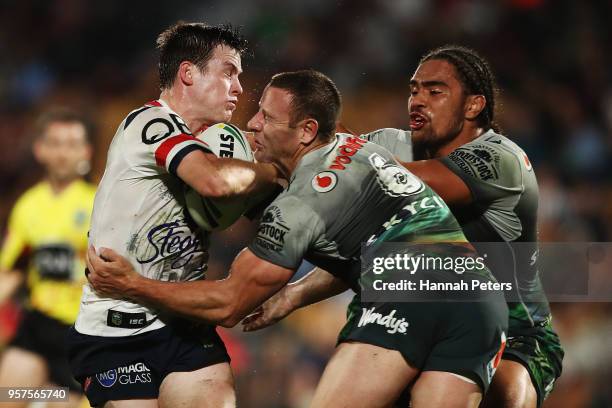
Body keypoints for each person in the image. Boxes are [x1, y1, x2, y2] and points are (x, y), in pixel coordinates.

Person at [86, 70, 508, 408]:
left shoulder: (299, 207)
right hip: (480, 303)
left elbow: (229, 304)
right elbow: (381, 249)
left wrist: (132, 285)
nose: (252, 124)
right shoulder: (361, 147)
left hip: (410, 299)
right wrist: (294, 296)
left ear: (306, 131)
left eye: (266, 118)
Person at [247, 46, 564, 408]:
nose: (417, 101)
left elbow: (388, 181)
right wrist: (294, 293)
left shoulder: (501, 159)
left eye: (434, 91)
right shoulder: (386, 143)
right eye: (414, 90)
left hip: (512, 329)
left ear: (474, 106)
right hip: (400, 305)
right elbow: (367, 242)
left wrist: (332, 149)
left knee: (506, 395)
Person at [67, 22, 280, 408]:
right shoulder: (151, 122)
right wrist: (272, 172)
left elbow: (270, 212)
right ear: (187, 73)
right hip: (117, 325)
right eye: (228, 72)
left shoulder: (215, 141)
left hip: (184, 322)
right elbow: (213, 183)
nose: (238, 88)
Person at [0, 108, 95, 408]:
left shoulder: (99, 203)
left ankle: (46, 397)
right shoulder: (28, 206)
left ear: (86, 151)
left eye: (71, 144)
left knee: (61, 402)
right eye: (55, 143)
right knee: (7, 397)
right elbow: (12, 271)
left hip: (82, 333)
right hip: (39, 326)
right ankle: (40, 396)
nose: (63, 153)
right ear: (40, 150)